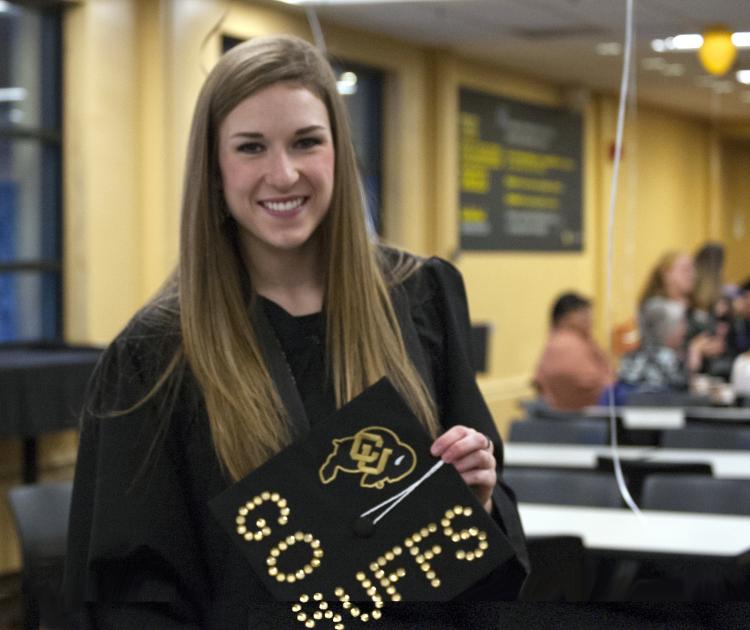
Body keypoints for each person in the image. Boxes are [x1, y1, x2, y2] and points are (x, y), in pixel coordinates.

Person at [63, 35, 528, 628]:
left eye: (307, 142)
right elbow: (135, 594)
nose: (282, 175)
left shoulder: (420, 300)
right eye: (251, 147)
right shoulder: (155, 356)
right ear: (214, 166)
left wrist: (477, 500)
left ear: (339, 151)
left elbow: (486, 538)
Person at [533, 292, 612, 411]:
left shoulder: (578, 340)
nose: (589, 318)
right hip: (581, 415)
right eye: (583, 313)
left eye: (589, 313)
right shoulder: (565, 344)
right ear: (563, 318)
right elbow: (589, 384)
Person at [617, 297, 708, 396]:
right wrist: (693, 361)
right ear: (667, 330)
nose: (684, 331)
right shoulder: (666, 359)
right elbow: (684, 394)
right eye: (680, 325)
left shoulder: (630, 358)